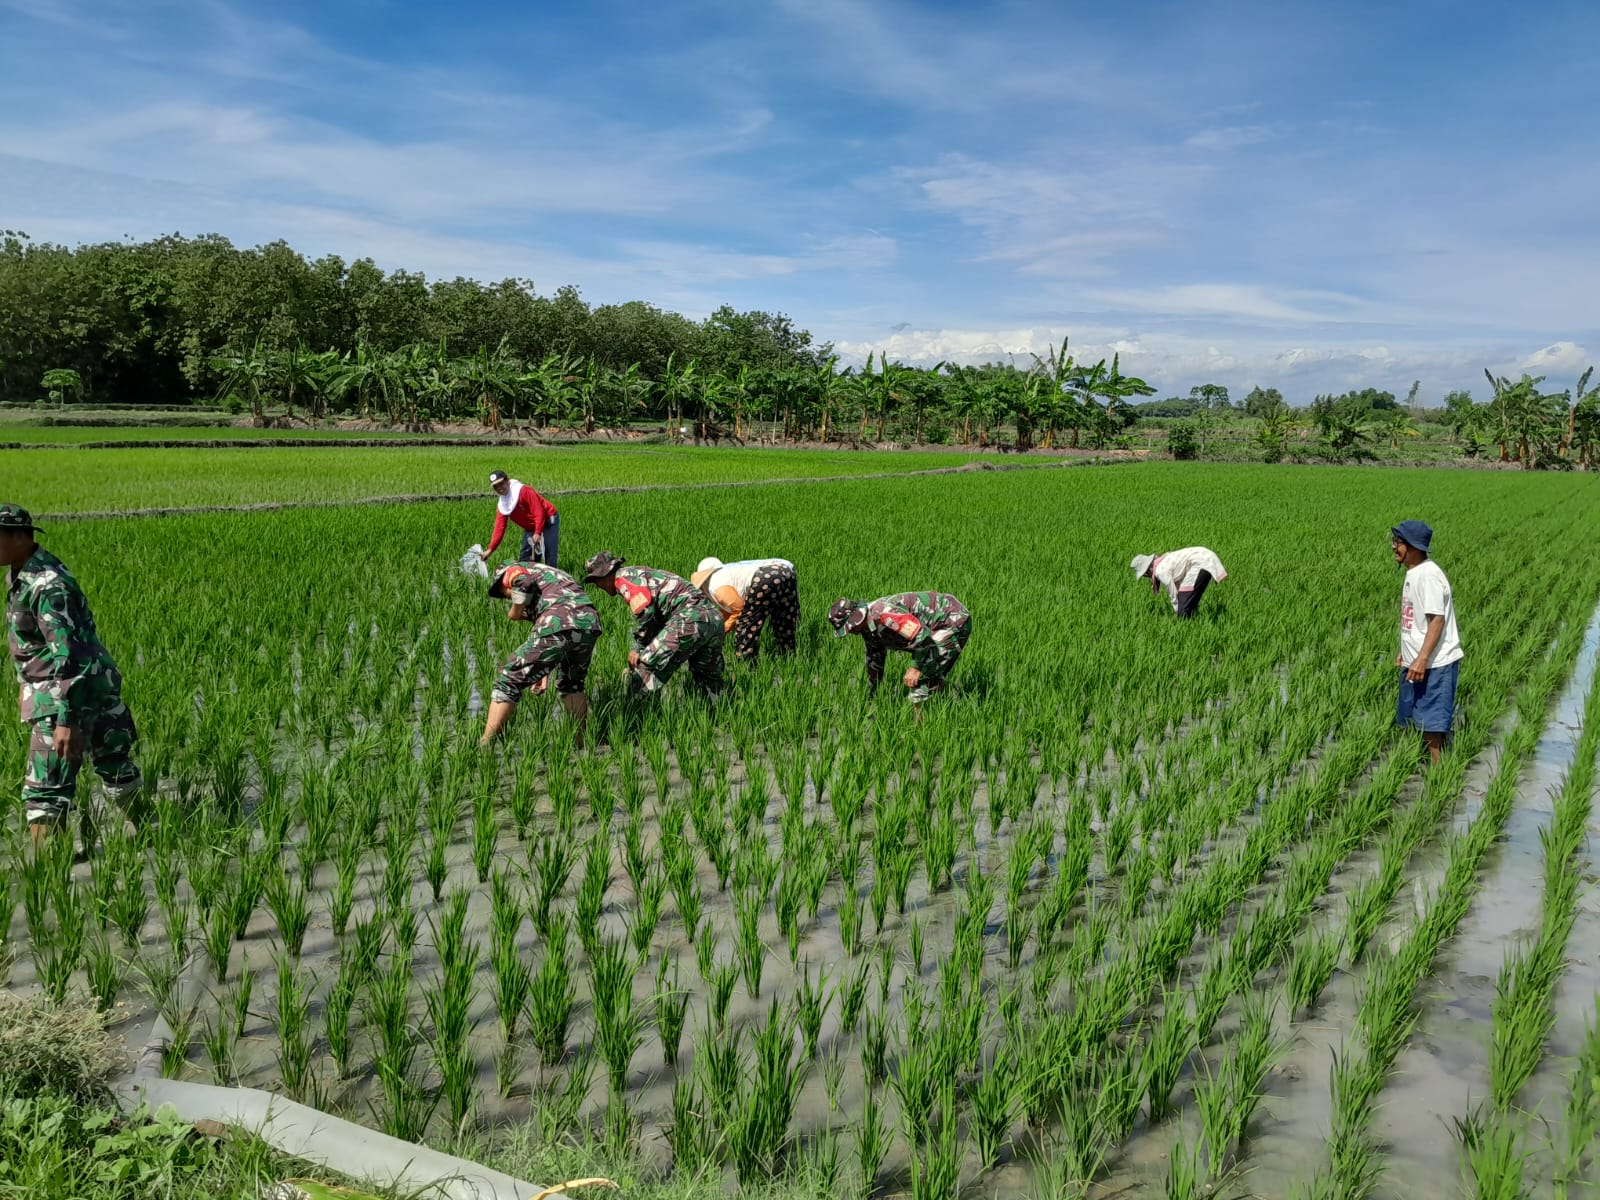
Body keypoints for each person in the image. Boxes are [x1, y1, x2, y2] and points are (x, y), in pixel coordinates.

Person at [2, 503, 146, 848]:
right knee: (116, 771)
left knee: (44, 795)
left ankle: (48, 880)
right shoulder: (26, 574)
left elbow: (68, 654)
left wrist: (67, 719)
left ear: (20, 538)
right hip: (91, 688)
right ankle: (152, 837)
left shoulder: (46, 585)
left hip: (63, 697)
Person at [479, 561, 601, 749]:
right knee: (572, 685)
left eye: (505, 594)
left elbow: (524, 583)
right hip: (589, 623)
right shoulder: (552, 574)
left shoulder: (513, 571)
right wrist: (542, 673)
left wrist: (515, 611)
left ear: (503, 583)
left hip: (558, 620)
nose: (508, 597)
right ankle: (580, 746)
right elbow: (550, 640)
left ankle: (484, 746)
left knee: (508, 679)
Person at [583, 552, 724, 699]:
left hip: (690, 618)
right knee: (708, 679)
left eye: (595, 581)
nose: (597, 586)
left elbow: (647, 613)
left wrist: (639, 650)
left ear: (604, 574)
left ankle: (634, 717)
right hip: (713, 618)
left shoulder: (624, 579)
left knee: (645, 668)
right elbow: (657, 617)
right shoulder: (640, 573)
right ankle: (720, 715)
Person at [1392, 520, 1462, 764]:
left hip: (1436, 663)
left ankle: (1439, 776)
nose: (1394, 547)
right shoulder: (1415, 572)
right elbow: (1415, 620)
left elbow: (1436, 621)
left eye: (1398, 543)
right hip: (1417, 661)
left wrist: (1421, 659)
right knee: (1412, 718)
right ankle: (1419, 768)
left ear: (1413, 547)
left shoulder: (1429, 576)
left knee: (1432, 725)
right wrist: (1405, 652)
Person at [828, 592, 971, 708]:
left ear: (856, 617)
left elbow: (923, 636)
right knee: (932, 676)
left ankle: (919, 729)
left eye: (849, 627)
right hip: (933, 628)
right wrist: (872, 694)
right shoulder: (866, 627)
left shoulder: (884, 614)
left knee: (921, 679)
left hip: (951, 619)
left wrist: (915, 667)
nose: (851, 631)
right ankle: (942, 707)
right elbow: (875, 656)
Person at [689, 556, 800, 664]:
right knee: (783, 620)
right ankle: (788, 658)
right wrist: (719, 629)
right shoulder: (727, 573)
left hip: (766, 577)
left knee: (746, 624)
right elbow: (729, 610)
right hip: (787, 571)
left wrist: (721, 633)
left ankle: (746, 665)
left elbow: (738, 609)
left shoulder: (715, 585)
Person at [480, 470, 559, 566]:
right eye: (496, 486)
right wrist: (490, 550)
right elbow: (499, 528)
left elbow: (539, 511)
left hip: (548, 519)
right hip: (531, 526)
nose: (499, 488)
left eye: (501, 484)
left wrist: (538, 532)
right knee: (525, 559)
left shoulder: (523, 491)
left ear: (507, 481)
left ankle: (552, 578)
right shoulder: (503, 505)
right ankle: (531, 578)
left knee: (549, 554)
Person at [1131, 547, 1227, 618]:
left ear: (1148, 569)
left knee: (1183, 612)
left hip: (1200, 563)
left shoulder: (1160, 570)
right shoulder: (1164, 562)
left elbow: (1171, 590)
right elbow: (1178, 587)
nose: (1147, 577)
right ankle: (1194, 621)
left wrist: (1177, 610)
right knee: (1186, 601)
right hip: (1205, 558)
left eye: (1145, 574)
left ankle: (1187, 625)